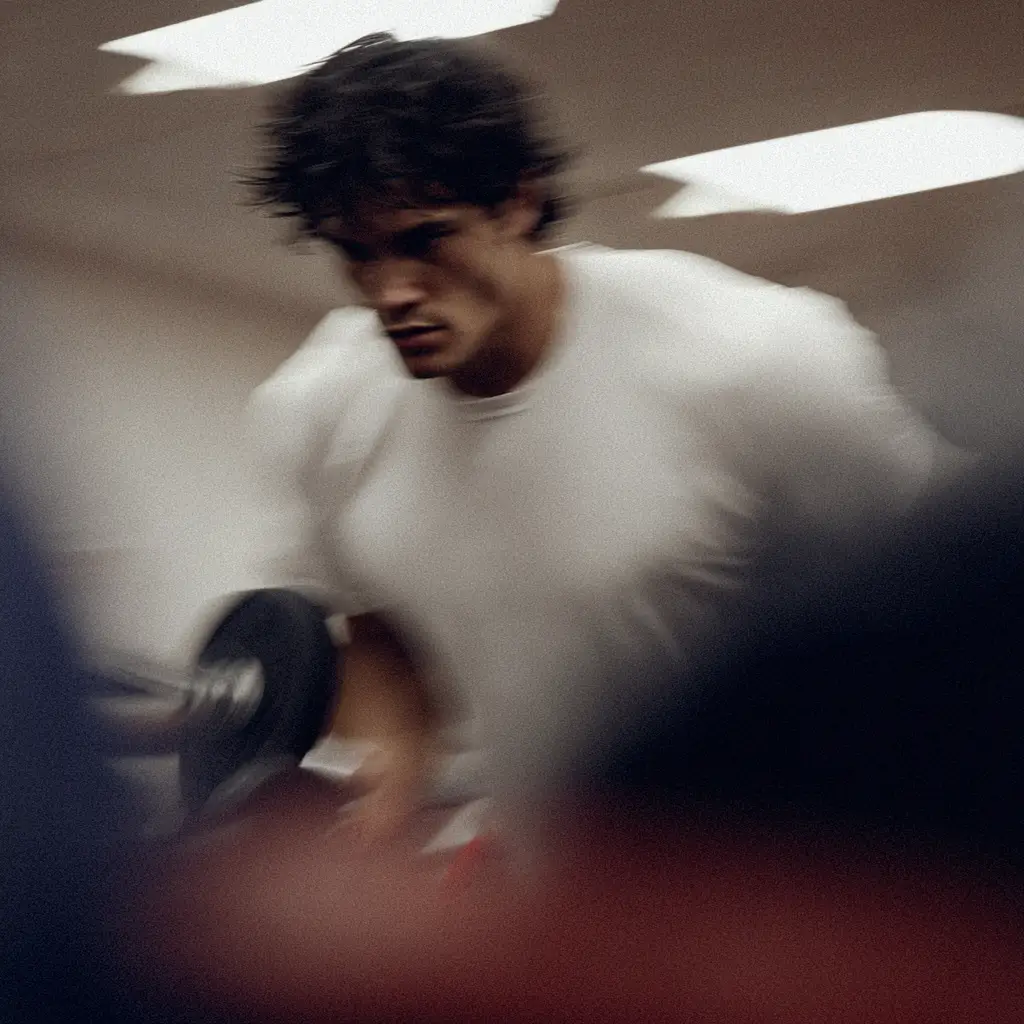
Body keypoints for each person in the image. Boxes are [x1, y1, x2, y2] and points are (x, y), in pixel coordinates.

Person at [244, 33, 944, 836]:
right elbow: (371, 624)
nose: (389, 291)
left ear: (519, 201)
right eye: (355, 253)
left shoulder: (757, 357)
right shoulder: (319, 407)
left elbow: (945, 614)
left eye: (424, 240)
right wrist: (396, 766)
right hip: (560, 876)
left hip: (803, 859)